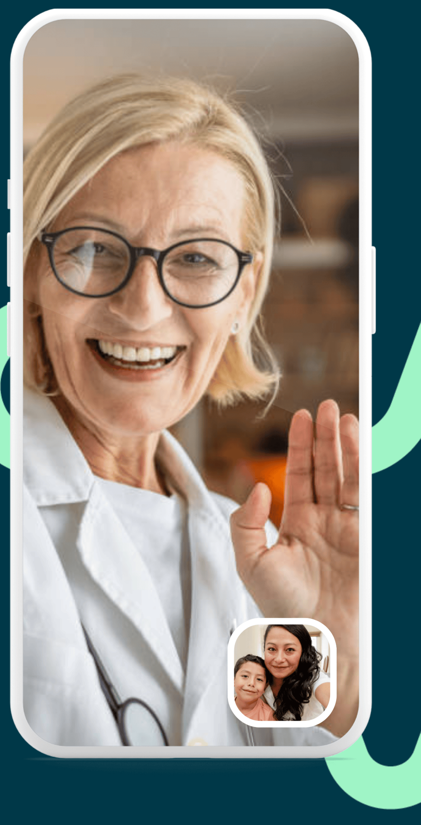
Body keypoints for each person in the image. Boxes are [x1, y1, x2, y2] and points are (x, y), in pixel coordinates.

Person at [22, 73, 359, 749]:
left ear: (244, 294)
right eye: (94, 248)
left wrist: (342, 684)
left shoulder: (263, 564)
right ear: (32, 269)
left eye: (198, 257)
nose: (143, 308)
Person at [263, 625, 330, 723]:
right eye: (272, 649)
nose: (279, 659)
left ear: (303, 653)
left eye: (290, 649)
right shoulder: (258, 677)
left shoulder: (313, 676)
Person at [234, 656, 275, 721]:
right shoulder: (221, 705)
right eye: (245, 676)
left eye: (259, 679)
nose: (251, 683)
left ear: (265, 687)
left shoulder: (268, 716)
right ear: (234, 680)